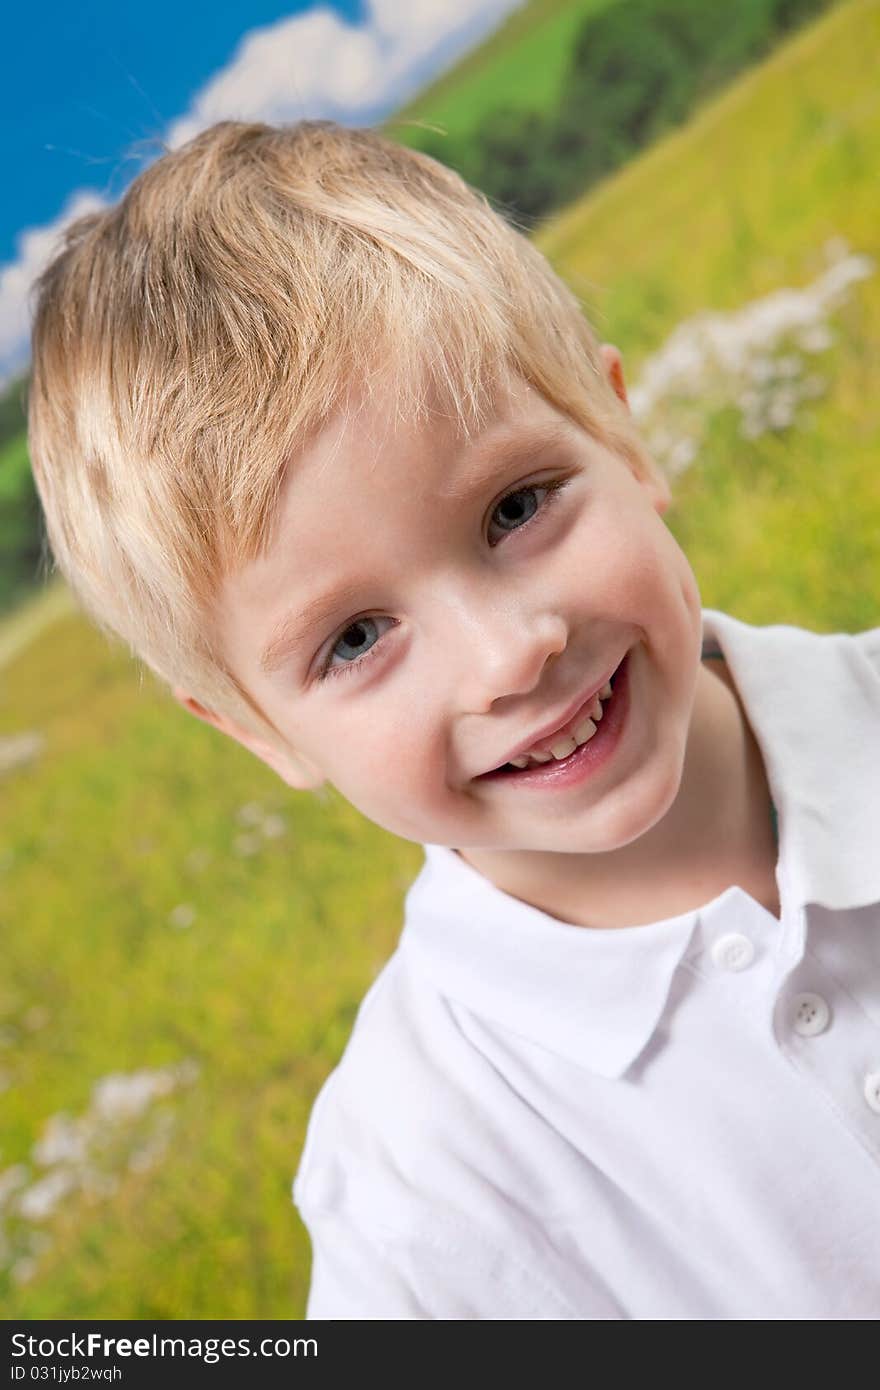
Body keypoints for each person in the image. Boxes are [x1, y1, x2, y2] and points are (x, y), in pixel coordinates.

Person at [27, 119, 880, 1319]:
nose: (505, 656)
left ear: (623, 437)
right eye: (356, 639)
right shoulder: (418, 1201)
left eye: (516, 506)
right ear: (254, 732)